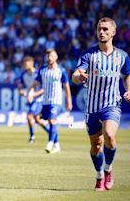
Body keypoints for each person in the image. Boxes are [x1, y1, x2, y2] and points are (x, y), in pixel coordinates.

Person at [72, 17, 130, 191]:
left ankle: (108, 169)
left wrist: (129, 89)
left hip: (112, 104)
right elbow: (76, 74)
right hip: (92, 107)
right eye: (99, 29)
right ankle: (99, 175)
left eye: (105, 29)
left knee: (109, 136)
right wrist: (78, 77)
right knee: (96, 145)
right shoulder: (89, 54)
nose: (102, 32)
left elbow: (127, 75)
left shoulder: (122, 56)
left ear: (113, 32)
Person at [28, 48, 72, 154]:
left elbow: (66, 87)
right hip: (45, 101)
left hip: (56, 101)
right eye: (48, 56)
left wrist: (69, 101)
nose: (49, 58)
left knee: (52, 121)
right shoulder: (42, 70)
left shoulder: (61, 71)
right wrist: (31, 92)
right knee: (39, 119)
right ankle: (57, 145)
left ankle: (50, 143)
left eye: (51, 55)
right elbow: (35, 83)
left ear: (56, 57)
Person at [18, 56, 49, 144]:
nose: (24, 65)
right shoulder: (23, 75)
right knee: (37, 120)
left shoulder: (38, 74)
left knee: (29, 116)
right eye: (24, 64)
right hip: (31, 100)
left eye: (26, 63)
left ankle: (32, 136)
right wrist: (22, 92)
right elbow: (20, 87)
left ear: (32, 63)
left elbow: (44, 88)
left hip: (40, 99)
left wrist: (34, 94)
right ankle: (50, 132)